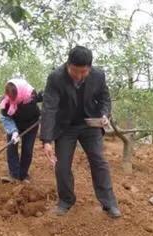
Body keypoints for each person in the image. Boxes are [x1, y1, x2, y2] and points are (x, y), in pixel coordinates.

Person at [40, 45, 121, 218]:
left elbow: (104, 99)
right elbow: (49, 108)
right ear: (68, 65)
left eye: (83, 72)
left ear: (89, 68)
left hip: (90, 125)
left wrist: (104, 114)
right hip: (65, 127)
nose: (78, 76)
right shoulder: (55, 78)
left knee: (99, 161)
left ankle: (109, 203)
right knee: (62, 166)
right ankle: (66, 200)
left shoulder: (98, 76)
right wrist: (46, 140)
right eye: (74, 71)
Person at [0, 78, 42, 183]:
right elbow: (5, 117)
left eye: (14, 97)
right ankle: (14, 175)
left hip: (31, 124)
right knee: (11, 148)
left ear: (20, 91)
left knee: (27, 149)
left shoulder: (31, 95)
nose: (12, 99)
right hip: (14, 125)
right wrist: (13, 131)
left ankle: (23, 175)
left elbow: (46, 98)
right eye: (10, 96)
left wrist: (45, 113)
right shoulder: (5, 102)